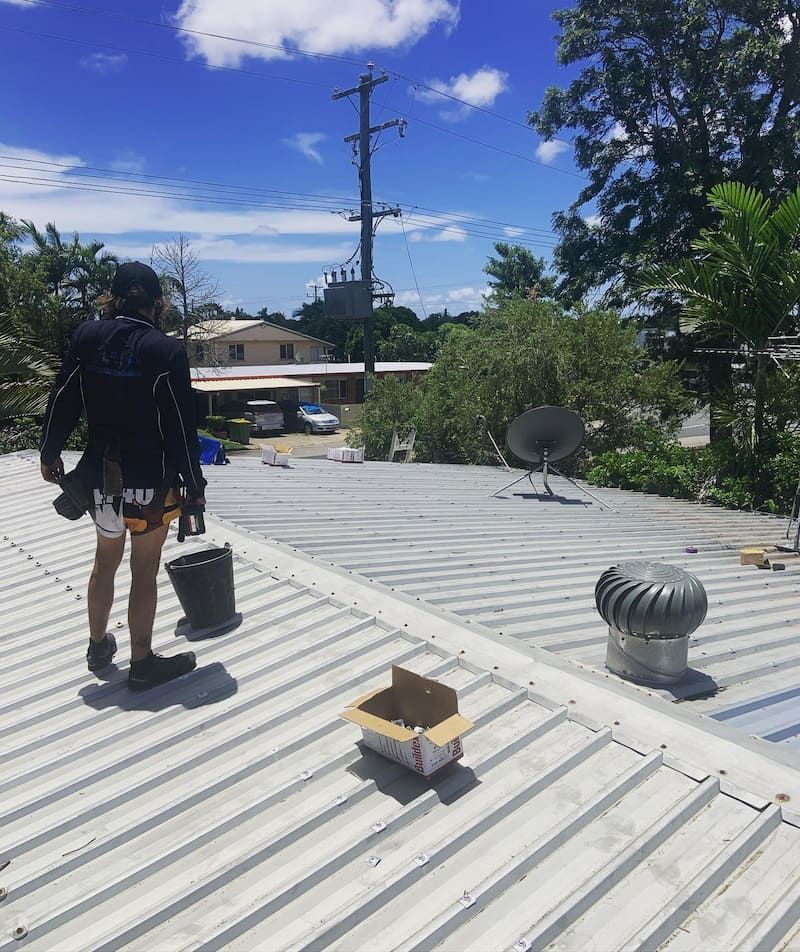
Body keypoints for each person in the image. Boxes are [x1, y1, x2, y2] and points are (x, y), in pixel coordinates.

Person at [40, 261, 206, 691]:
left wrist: (49, 450)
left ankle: (98, 646)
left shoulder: (86, 337)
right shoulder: (165, 350)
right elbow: (180, 424)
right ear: (157, 303)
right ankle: (142, 662)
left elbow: (64, 396)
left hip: (98, 477)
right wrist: (192, 483)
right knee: (144, 569)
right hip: (149, 482)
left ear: (112, 299)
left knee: (104, 563)